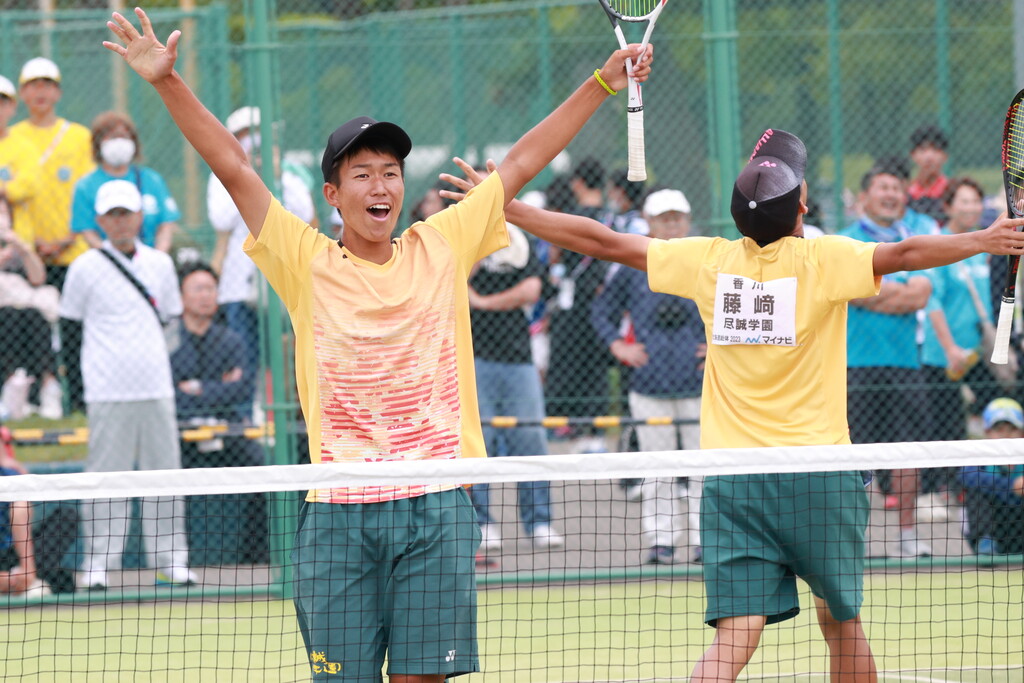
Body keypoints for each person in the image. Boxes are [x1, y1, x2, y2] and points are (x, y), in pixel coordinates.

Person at [103, 7, 652, 681]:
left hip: (438, 499)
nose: (380, 184)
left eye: (390, 171)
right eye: (361, 173)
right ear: (333, 194)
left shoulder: (442, 244)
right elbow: (235, 166)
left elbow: (520, 163)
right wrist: (166, 83)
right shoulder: (303, 260)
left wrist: (600, 81)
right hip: (338, 507)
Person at [441, 127, 1024, 682]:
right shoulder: (824, 261)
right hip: (818, 475)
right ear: (801, 212)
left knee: (737, 631)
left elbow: (600, 239)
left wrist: (505, 205)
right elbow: (905, 253)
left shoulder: (709, 262)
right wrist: (983, 239)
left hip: (734, 479)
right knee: (842, 623)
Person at [59, 179, 195, 590]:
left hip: (156, 387)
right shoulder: (83, 267)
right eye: (112, 215)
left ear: (140, 216)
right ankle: (98, 564)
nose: (120, 222)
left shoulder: (161, 264)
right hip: (106, 390)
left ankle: (172, 561)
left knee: (165, 475)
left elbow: (172, 321)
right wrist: (78, 393)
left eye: (127, 213)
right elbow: (70, 331)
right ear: (100, 220)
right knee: (105, 477)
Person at [591, 188, 705, 565]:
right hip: (649, 386)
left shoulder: (709, 260)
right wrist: (617, 347)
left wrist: (718, 348)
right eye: (664, 218)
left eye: (677, 217)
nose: (672, 224)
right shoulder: (631, 265)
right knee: (657, 468)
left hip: (700, 386)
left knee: (705, 467)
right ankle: (662, 540)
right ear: (650, 223)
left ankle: (706, 540)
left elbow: (732, 309)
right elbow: (601, 311)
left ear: (687, 221)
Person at [840, 159, 934, 559]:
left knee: (907, 453)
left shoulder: (917, 239)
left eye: (897, 189)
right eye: (883, 188)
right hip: (855, 365)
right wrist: (895, 294)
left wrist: (872, 291)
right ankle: (852, 540)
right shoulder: (845, 241)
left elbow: (921, 294)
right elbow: (850, 290)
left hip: (904, 366)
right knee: (852, 460)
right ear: (864, 197)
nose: (891, 195)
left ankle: (907, 536)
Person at [468, 220, 564, 553]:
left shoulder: (518, 240)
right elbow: (449, 283)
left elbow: (531, 290)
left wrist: (481, 302)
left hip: (519, 359)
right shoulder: (462, 239)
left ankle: (540, 522)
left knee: (531, 440)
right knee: (480, 443)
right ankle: (481, 523)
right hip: (472, 359)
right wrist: (474, 255)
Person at [170, 262, 267, 564]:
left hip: (226, 432)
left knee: (261, 466)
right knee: (164, 476)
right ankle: (176, 560)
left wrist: (194, 389)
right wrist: (215, 390)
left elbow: (240, 391)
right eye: (197, 289)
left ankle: (255, 557)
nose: (205, 296)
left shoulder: (231, 340)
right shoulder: (167, 339)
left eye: (211, 289)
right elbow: (169, 396)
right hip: (181, 435)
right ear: (182, 296)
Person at [208, 105, 316, 373]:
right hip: (240, 281)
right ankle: (249, 410)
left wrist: (275, 175)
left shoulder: (290, 173)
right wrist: (247, 181)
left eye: (259, 133)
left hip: (285, 275)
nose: (254, 140)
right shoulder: (221, 174)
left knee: (296, 352)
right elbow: (221, 218)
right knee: (244, 355)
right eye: (246, 133)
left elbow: (305, 212)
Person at [918, 178, 995, 518]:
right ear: (948, 207)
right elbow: (932, 300)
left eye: (975, 201)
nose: (970, 207)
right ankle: (937, 491)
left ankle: (987, 485)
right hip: (943, 356)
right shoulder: (940, 246)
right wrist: (950, 348)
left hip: (981, 355)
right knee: (944, 426)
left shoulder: (988, 244)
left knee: (997, 416)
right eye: (963, 201)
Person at [546, 157, 614, 452]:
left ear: (578, 182)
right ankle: (596, 431)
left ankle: (568, 426)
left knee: (568, 362)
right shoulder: (612, 217)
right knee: (596, 366)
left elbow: (554, 256)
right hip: (604, 302)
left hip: (573, 306)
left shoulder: (570, 217)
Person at [8, 57, 93, 289]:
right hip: (24, 252)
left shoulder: (79, 137)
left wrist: (68, 239)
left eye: (47, 85)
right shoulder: (11, 138)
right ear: (22, 94)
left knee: (73, 322)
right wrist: (29, 242)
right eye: (33, 85)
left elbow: (87, 193)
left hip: (74, 251)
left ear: (58, 92)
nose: (40, 92)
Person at [72, 111, 181, 253]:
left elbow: (166, 225)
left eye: (123, 136)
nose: (118, 142)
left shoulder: (151, 180)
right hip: (106, 263)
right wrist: (114, 261)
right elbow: (88, 232)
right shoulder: (85, 186)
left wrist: (157, 258)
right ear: (98, 143)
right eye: (111, 137)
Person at [0, 207, 63, 420]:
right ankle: (11, 388)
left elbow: (38, 279)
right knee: (8, 316)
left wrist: (22, 249)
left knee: (33, 317)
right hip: (4, 309)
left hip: (25, 309)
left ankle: (47, 386)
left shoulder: (17, 244)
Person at [0, 424, 78, 595]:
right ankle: (19, 583)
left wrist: (27, 570)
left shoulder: (9, 473)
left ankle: (28, 577)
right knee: (61, 579)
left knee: (66, 516)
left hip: (16, 555)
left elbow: (26, 506)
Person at [961, 398, 1024, 556]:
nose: (1006, 435)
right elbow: (966, 476)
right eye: (999, 429)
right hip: (993, 527)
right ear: (987, 432)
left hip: (1019, 528)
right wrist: (1011, 485)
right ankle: (986, 543)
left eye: (1012, 429)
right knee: (976, 492)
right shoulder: (979, 455)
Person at [907, 124, 950, 222]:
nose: (929, 156)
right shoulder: (906, 194)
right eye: (923, 150)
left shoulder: (952, 193)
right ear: (912, 155)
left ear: (945, 156)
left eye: (935, 149)